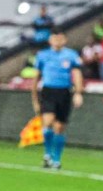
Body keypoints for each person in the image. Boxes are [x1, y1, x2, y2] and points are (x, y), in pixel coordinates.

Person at [30, 29, 84, 170]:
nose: (58, 41)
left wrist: (78, 92)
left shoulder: (71, 55)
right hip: (48, 91)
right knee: (48, 122)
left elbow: (77, 73)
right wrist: (34, 99)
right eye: (55, 38)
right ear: (50, 40)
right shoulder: (43, 55)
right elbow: (36, 77)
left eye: (60, 38)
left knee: (59, 127)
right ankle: (48, 153)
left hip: (64, 92)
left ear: (65, 40)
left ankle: (56, 159)